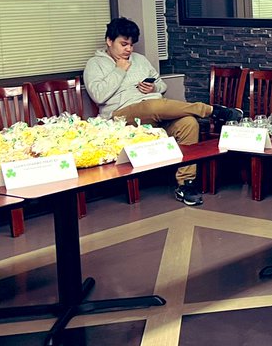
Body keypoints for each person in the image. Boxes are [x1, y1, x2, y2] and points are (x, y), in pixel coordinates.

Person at [83, 17, 243, 207]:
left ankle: (186, 184)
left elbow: (161, 84)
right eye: (123, 44)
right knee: (153, 107)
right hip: (121, 116)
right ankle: (211, 110)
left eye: (131, 45)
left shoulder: (139, 60)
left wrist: (153, 89)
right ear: (109, 41)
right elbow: (99, 96)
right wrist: (119, 70)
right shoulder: (95, 64)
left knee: (189, 123)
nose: (128, 49)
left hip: (154, 112)